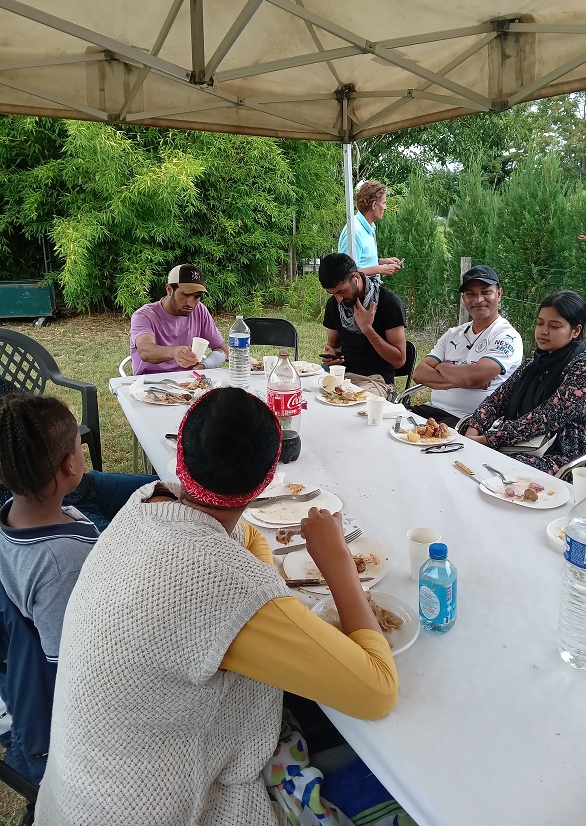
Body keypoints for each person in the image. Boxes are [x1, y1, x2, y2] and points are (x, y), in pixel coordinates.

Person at [35, 388, 398, 826]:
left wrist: (263, 582)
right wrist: (338, 562)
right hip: (153, 809)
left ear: (180, 459)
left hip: (73, 797)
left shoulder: (149, 502)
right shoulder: (226, 588)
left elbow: (247, 543)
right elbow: (377, 692)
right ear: (266, 482)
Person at [0, 394, 156, 663]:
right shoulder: (63, 567)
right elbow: (67, 660)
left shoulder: (14, 515)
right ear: (69, 465)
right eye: (80, 448)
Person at [460, 291, 586, 474]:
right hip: (519, 444)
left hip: (563, 456)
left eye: (554, 326)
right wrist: (473, 430)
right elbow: (496, 400)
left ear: (575, 331)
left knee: (495, 468)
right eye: (540, 323)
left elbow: (545, 418)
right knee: (462, 454)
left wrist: (486, 440)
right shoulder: (533, 364)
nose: (543, 331)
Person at [410, 265, 523, 426]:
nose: (478, 300)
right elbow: (419, 374)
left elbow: (474, 377)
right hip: (432, 410)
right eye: (471, 294)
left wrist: (441, 367)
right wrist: (463, 379)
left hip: (470, 422)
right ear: (464, 299)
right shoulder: (453, 334)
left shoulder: (507, 336)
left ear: (499, 294)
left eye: (486, 292)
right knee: (388, 425)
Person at [319, 253, 407, 398]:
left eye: (342, 291)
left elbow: (399, 361)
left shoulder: (388, 303)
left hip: (375, 379)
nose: (339, 299)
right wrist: (332, 354)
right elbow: (332, 345)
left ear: (356, 277)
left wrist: (367, 329)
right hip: (341, 374)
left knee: (352, 408)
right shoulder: (334, 304)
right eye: (332, 293)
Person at [130, 263, 228, 375]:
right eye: (186, 295)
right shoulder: (144, 315)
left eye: (197, 297)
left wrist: (203, 366)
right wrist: (173, 352)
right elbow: (145, 351)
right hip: (149, 384)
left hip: (189, 382)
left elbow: (222, 351)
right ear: (169, 290)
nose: (190, 304)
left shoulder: (200, 310)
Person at [338, 181, 401, 279]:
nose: (385, 207)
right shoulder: (354, 232)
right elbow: (347, 272)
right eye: (384, 203)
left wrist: (381, 261)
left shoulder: (369, 226)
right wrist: (380, 269)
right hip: (359, 294)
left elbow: (361, 262)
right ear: (374, 205)